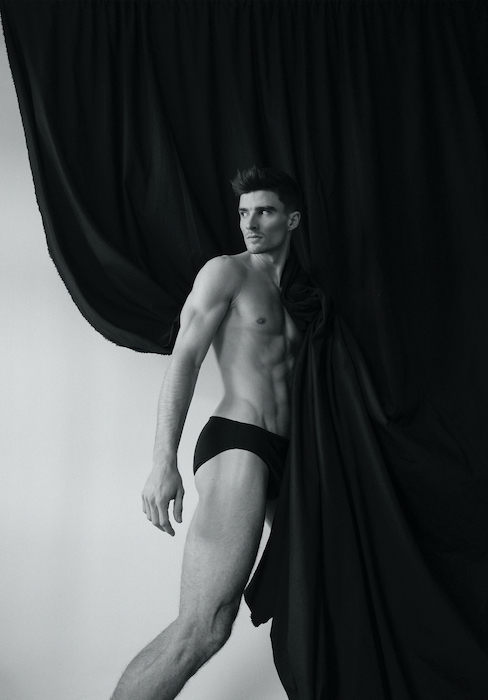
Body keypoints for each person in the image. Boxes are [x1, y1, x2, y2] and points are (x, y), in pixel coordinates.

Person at [111, 166, 303, 700]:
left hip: (292, 457)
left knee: (326, 597)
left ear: (292, 220)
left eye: (263, 211)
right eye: (243, 213)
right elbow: (185, 358)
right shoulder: (226, 273)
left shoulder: (303, 292)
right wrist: (162, 461)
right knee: (204, 627)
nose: (250, 223)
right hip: (241, 440)